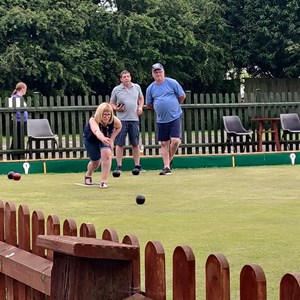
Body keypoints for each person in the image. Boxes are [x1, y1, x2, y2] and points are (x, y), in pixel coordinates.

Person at [146, 63, 186, 175]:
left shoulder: (172, 83)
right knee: (164, 143)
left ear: (163, 72)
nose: (158, 74)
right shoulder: (150, 88)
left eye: (160, 72)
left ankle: (169, 157)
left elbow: (182, 96)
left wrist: (172, 105)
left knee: (175, 140)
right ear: (153, 74)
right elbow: (149, 104)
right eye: (156, 72)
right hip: (161, 119)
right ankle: (166, 166)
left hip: (175, 116)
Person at [110, 70, 145, 174]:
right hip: (121, 121)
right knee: (120, 144)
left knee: (135, 143)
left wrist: (140, 107)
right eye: (124, 77)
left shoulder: (137, 87)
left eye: (128, 76)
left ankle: (137, 165)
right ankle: (119, 166)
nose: (126, 78)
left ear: (130, 77)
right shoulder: (116, 89)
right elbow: (111, 103)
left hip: (134, 119)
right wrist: (116, 108)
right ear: (121, 79)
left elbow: (141, 98)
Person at [83, 102, 122, 189]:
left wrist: (111, 139)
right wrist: (102, 138)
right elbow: (96, 131)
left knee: (107, 154)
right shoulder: (93, 120)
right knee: (95, 163)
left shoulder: (113, 119)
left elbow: (119, 127)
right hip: (91, 140)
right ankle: (88, 173)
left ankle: (104, 181)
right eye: (104, 114)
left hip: (105, 138)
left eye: (108, 114)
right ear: (100, 114)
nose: (106, 117)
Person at [8, 82, 28, 160]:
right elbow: (15, 111)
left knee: (20, 138)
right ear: (22, 89)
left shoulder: (19, 98)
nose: (25, 91)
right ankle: (15, 155)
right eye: (25, 89)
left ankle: (18, 155)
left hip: (22, 121)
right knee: (17, 139)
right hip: (18, 121)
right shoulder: (14, 98)